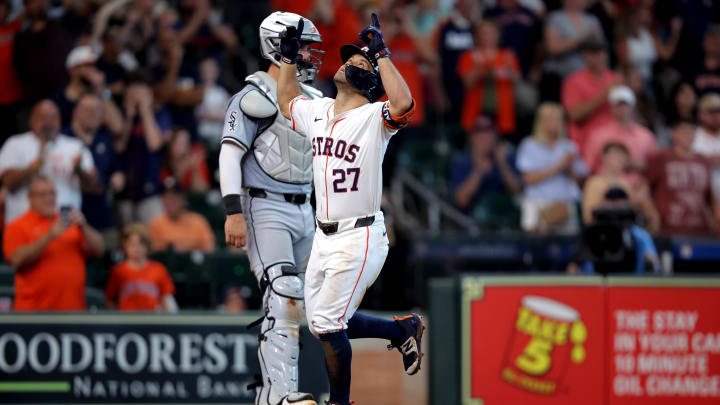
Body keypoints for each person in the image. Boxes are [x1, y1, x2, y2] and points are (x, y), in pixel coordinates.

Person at [277, 13, 424, 405]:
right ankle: (403, 329)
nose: (347, 62)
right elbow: (287, 101)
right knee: (321, 323)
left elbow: (404, 103)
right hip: (324, 235)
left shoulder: (373, 117)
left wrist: (381, 54)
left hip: (360, 235)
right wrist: (288, 61)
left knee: (327, 322)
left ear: (371, 82)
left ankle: (340, 403)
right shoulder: (319, 109)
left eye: (357, 62)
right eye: (349, 58)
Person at [218, 11, 324, 405]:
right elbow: (230, 155)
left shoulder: (314, 99)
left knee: (310, 305)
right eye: (305, 46)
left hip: (306, 208)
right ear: (278, 47)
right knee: (283, 293)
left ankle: (280, 393)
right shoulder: (252, 96)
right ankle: (279, 394)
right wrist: (233, 211)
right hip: (264, 206)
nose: (312, 55)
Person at [2, 175, 104, 311]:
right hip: (33, 312)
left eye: (52, 193)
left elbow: (99, 249)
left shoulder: (69, 222)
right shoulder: (16, 225)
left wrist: (84, 226)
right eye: (42, 194)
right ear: (30, 198)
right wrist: (49, 236)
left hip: (73, 310)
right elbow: (16, 259)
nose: (49, 198)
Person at [0, 99, 99, 225]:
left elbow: (95, 187)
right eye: (43, 117)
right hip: (22, 227)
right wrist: (35, 165)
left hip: (64, 226)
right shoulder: (15, 144)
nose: (48, 122)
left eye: (53, 117)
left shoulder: (75, 146)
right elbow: (8, 181)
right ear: (32, 120)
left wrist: (79, 170)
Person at [517, 102, 588, 235]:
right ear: (541, 122)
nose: (554, 123)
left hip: (564, 205)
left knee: (569, 247)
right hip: (537, 203)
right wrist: (559, 166)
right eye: (550, 119)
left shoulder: (569, 147)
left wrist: (569, 168)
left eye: (557, 119)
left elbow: (581, 182)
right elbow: (529, 179)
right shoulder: (529, 145)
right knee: (534, 246)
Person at [65, 93, 124, 238]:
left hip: (102, 210)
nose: (92, 114)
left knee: (107, 252)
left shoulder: (104, 138)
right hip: (72, 211)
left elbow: (115, 167)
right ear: (75, 112)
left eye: (97, 110)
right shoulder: (63, 139)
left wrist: (119, 175)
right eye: (88, 109)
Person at [646, 119, 719, 237]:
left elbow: (710, 196)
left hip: (701, 228)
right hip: (668, 227)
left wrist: (716, 219)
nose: (688, 135)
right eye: (684, 131)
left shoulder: (703, 160)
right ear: (673, 134)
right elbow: (644, 188)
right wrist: (652, 213)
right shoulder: (661, 158)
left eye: (691, 132)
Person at [450, 116, 521, 220]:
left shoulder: (506, 158)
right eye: (479, 135)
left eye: (488, 134)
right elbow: (461, 200)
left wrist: (503, 165)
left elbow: (518, 191)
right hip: (472, 222)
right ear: (471, 138)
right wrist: (478, 172)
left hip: (506, 218)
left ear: (496, 137)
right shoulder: (461, 161)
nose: (484, 139)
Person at [457, 19, 521, 136]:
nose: (487, 36)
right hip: (476, 112)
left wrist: (507, 72)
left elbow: (517, 80)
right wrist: (481, 66)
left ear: (498, 35)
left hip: (502, 113)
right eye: (483, 32)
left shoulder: (508, 56)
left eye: (491, 32)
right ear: (477, 35)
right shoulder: (468, 56)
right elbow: (468, 83)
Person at [561, 37, 622, 155]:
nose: (598, 56)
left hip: (614, 141)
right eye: (593, 53)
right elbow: (574, 115)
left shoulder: (615, 78)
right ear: (585, 56)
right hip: (585, 142)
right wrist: (605, 94)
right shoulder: (573, 81)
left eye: (601, 52)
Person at [582, 142, 659, 234]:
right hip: (603, 233)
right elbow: (589, 217)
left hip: (626, 231)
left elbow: (637, 211)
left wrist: (643, 202)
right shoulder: (594, 182)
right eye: (616, 155)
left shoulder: (626, 184)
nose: (620, 159)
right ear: (604, 157)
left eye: (623, 156)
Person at [583, 85, 658, 173]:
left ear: (633, 106)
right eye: (618, 105)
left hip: (636, 184)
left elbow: (655, 166)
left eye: (625, 104)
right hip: (607, 184)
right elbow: (588, 167)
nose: (622, 108)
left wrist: (636, 165)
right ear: (611, 107)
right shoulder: (598, 135)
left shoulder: (646, 136)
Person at [105, 223, 177, 312]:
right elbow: (110, 300)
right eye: (132, 244)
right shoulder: (118, 271)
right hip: (125, 321)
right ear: (125, 246)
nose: (136, 248)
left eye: (140, 244)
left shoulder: (158, 269)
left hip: (153, 320)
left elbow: (166, 299)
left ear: (147, 246)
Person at [51, 45, 124, 131]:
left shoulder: (98, 96)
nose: (93, 69)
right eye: (88, 65)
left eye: (95, 65)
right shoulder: (57, 101)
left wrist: (101, 88)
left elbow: (118, 127)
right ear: (73, 70)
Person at [541, 0, 604, 101]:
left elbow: (600, 49)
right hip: (559, 74)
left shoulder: (592, 20)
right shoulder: (556, 18)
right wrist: (580, 38)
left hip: (586, 76)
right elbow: (553, 49)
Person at [147, 182, 214, 253]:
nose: (170, 201)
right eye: (167, 197)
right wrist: (170, 247)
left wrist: (187, 247)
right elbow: (152, 250)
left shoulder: (198, 221)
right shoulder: (155, 224)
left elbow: (209, 248)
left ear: (183, 199)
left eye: (174, 197)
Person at [160, 127, 210, 192]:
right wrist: (185, 166)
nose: (184, 144)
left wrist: (194, 169)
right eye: (179, 141)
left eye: (186, 141)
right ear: (170, 144)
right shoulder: (164, 162)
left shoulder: (195, 159)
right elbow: (169, 187)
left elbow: (202, 190)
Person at [692, 92, 720, 209]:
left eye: (718, 111)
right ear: (700, 114)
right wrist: (707, 160)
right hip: (702, 196)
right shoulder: (693, 136)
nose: (715, 116)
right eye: (710, 112)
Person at [196, 58, 229, 146]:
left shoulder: (222, 92)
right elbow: (199, 114)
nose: (209, 72)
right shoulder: (196, 91)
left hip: (219, 138)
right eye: (206, 69)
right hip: (201, 137)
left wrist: (209, 115)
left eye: (211, 69)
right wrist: (217, 114)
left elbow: (228, 116)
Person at [687, 24, 720, 96]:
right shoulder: (693, 67)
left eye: (717, 39)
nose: (714, 41)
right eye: (711, 38)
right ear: (704, 42)